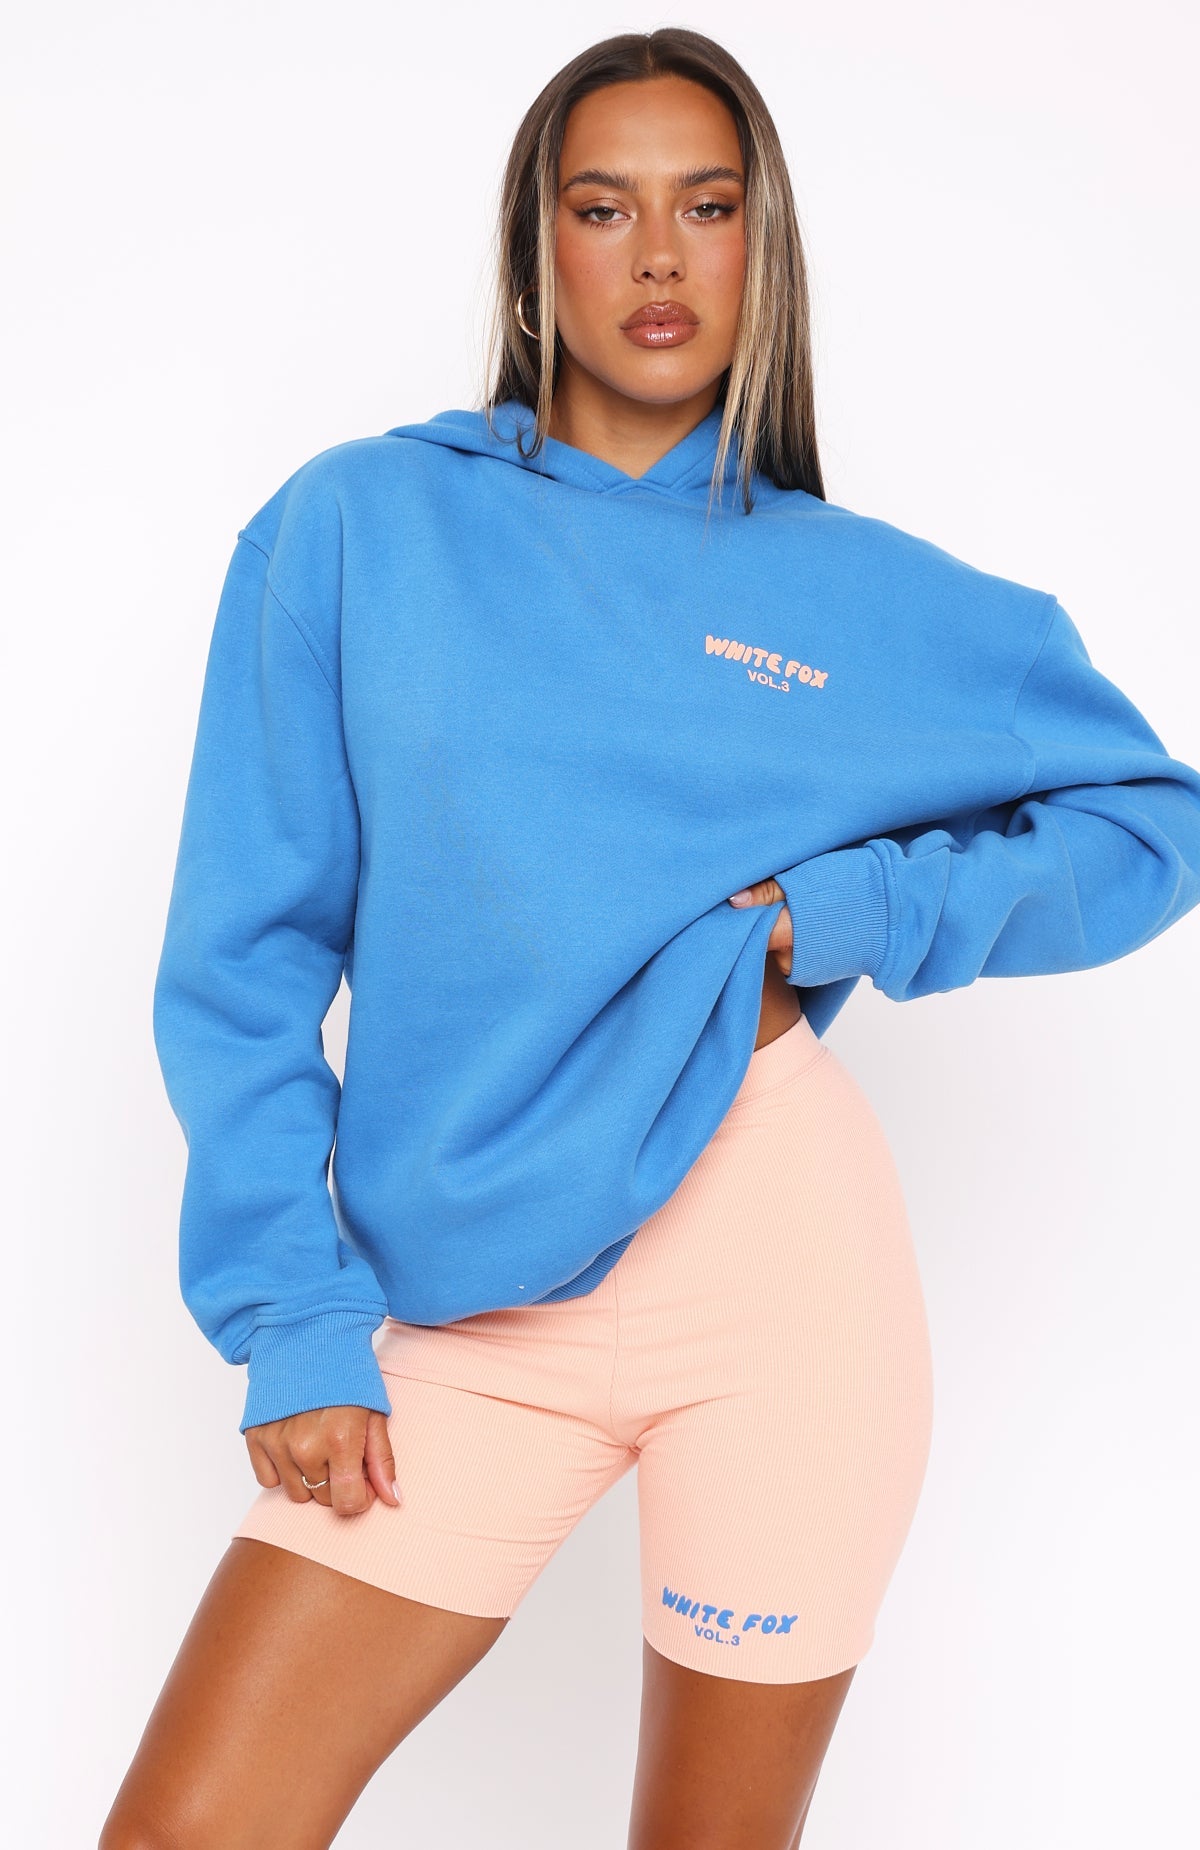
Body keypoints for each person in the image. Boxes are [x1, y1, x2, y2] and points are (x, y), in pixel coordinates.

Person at [101, 27, 1200, 1850]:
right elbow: (245, 959)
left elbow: (1154, 817)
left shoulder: (853, 592)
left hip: (776, 1269)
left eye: (709, 205)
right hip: (459, 1301)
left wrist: (862, 909)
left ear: (765, 243)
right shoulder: (360, 527)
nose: (662, 255)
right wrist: (294, 1314)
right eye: (604, 208)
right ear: (535, 247)